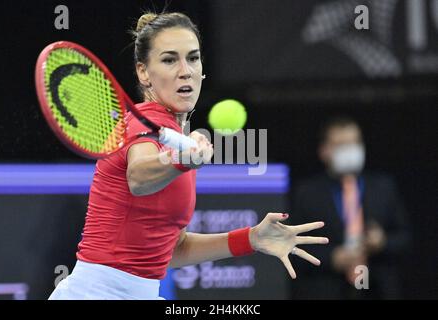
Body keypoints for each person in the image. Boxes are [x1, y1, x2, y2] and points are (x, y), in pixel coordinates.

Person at [49, 11, 328, 300]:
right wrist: (181, 161)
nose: (186, 70)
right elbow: (138, 176)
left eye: (193, 58)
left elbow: (172, 250)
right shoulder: (144, 121)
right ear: (143, 72)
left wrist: (251, 239)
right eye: (170, 60)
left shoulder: (177, 138)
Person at [290, 116, 410, 299]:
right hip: (326, 289)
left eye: (355, 143)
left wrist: (382, 242)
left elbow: (404, 238)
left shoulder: (384, 187)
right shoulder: (307, 193)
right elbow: (291, 246)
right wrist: (331, 258)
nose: (350, 150)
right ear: (324, 151)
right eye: (341, 145)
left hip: (377, 289)